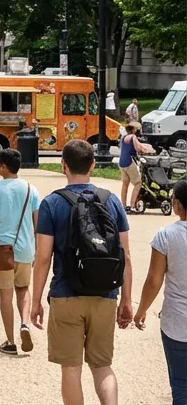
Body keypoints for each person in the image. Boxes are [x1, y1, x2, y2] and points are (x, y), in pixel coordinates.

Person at [31, 139, 133, 405]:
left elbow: (42, 258)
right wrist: (126, 300)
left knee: (71, 368)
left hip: (66, 292)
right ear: (93, 164)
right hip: (105, 292)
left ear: (63, 165)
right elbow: (126, 256)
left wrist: (36, 301)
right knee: (102, 366)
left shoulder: (52, 203)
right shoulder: (112, 201)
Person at [0, 148, 40, 355]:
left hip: (2, 248)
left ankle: (10, 341)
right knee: (23, 289)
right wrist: (36, 248)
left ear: (4, 167)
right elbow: (36, 222)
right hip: (25, 248)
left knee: (6, 294)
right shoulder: (31, 189)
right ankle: (24, 323)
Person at [135, 179, 187, 404]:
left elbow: (154, 280)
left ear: (176, 204)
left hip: (177, 322)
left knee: (181, 386)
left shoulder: (166, 236)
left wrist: (141, 310)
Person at [119, 123, 155, 211]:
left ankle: (123, 206)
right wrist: (149, 150)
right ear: (134, 130)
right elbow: (138, 148)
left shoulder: (123, 137)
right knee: (138, 183)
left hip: (121, 163)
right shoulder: (133, 137)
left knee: (125, 185)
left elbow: (137, 146)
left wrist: (146, 147)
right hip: (129, 162)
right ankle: (132, 206)